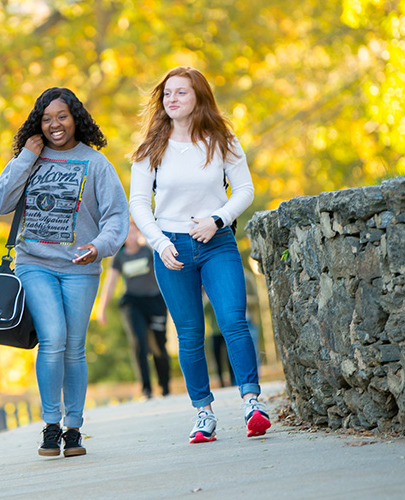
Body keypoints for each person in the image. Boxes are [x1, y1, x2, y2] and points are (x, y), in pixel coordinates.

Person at [129, 67, 271, 442]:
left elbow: (244, 189)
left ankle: (252, 403)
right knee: (190, 334)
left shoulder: (222, 139)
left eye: (181, 93)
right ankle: (203, 413)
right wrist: (160, 243)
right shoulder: (149, 148)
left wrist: (218, 219)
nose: (172, 99)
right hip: (172, 248)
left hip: (217, 242)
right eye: (167, 94)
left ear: (198, 98)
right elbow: (140, 204)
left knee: (233, 321)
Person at [0, 87, 129, 458]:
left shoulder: (96, 163)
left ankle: (74, 428)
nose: (54, 125)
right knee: (53, 338)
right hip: (34, 262)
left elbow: (117, 215)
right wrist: (26, 156)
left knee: (74, 347)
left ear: (76, 119)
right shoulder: (30, 158)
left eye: (62, 117)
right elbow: (2, 201)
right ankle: (51, 426)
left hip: (80, 267)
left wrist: (99, 247)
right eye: (47, 118)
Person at [97, 220, 171, 400]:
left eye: (134, 232)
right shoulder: (120, 257)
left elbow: (163, 262)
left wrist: (146, 238)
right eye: (128, 233)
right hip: (133, 304)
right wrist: (102, 308)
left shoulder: (148, 251)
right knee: (139, 343)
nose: (131, 236)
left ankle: (165, 386)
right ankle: (146, 389)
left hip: (155, 301)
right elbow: (111, 282)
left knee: (159, 346)